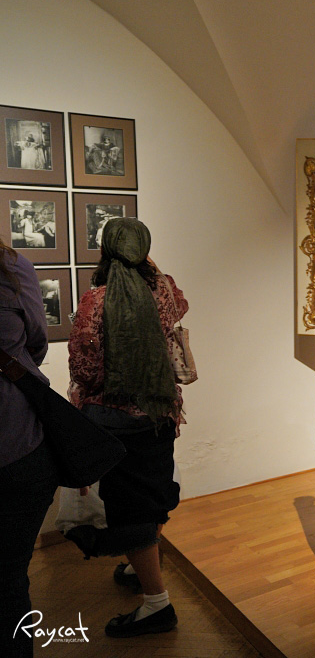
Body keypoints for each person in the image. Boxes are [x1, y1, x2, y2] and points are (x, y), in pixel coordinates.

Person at [67, 218, 188, 638]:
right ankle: (141, 568)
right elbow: (180, 303)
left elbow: (85, 370)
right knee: (153, 495)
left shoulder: (95, 300)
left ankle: (157, 606)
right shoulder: (165, 294)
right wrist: (148, 266)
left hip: (114, 422)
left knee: (130, 510)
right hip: (160, 414)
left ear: (105, 250)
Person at [0, 235, 57, 657]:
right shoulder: (13, 266)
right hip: (19, 445)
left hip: (18, 448)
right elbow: (36, 342)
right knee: (9, 579)